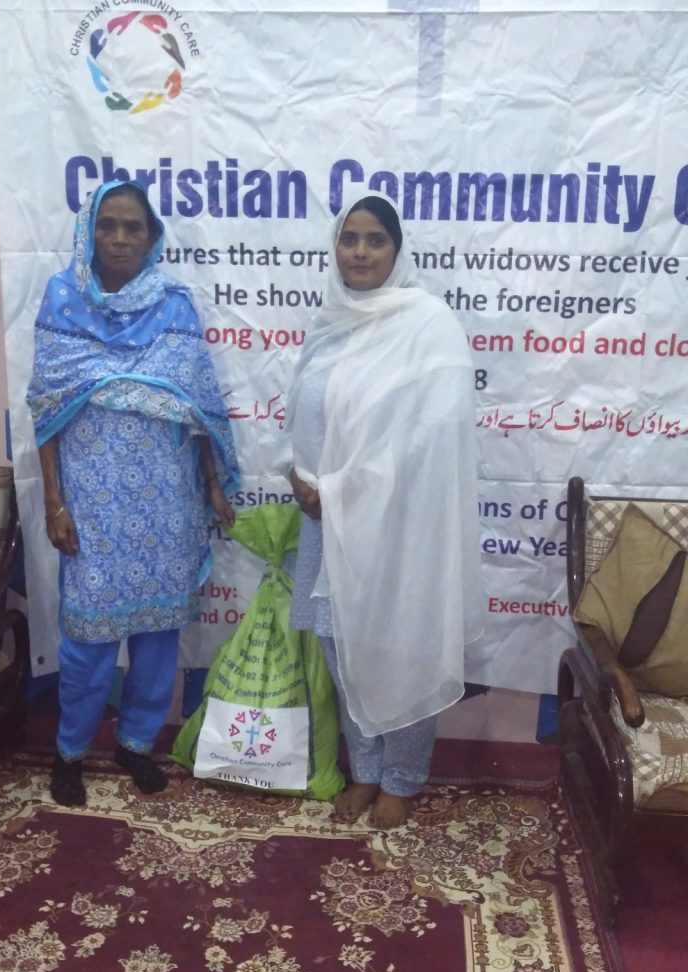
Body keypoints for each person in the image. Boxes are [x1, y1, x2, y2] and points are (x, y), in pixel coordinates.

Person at [27, 180, 239, 808]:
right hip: (91, 503)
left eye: (133, 227)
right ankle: (71, 751)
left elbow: (197, 407)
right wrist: (54, 503)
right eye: (108, 225)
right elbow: (46, 411)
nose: (120, 239)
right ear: (89, 232)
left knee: (157, 637)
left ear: (152, 237)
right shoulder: (63, 298)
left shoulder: (174, 305)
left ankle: (136, 744)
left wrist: (211, 484)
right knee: (87, 643)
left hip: (166, 502)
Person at [285, 186, 482, 829]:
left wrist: (345, 486)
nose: (360, 251)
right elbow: (306, 415)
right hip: (328, 522)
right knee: (342, 650)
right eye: (349, 238)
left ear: (397, 251)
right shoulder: (329, 322)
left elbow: (434, 433)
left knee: (402, 648)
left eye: (376, 240)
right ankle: (366, 770)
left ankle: (402, 776)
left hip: (400, 525)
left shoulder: (428, 324)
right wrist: (300, 476)